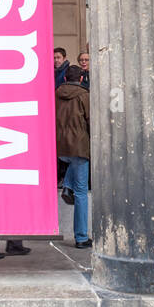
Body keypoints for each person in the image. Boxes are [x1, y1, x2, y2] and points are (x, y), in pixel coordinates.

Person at [56, 64, 91, 248]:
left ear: (64, 78)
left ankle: (66, 185)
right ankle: (81, 237)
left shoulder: (56, 94)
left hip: (62, 148)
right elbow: (91, 122)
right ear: (80, 79)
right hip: (79, 147)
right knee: (81, 194)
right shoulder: (84, 96)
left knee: (72, 165)